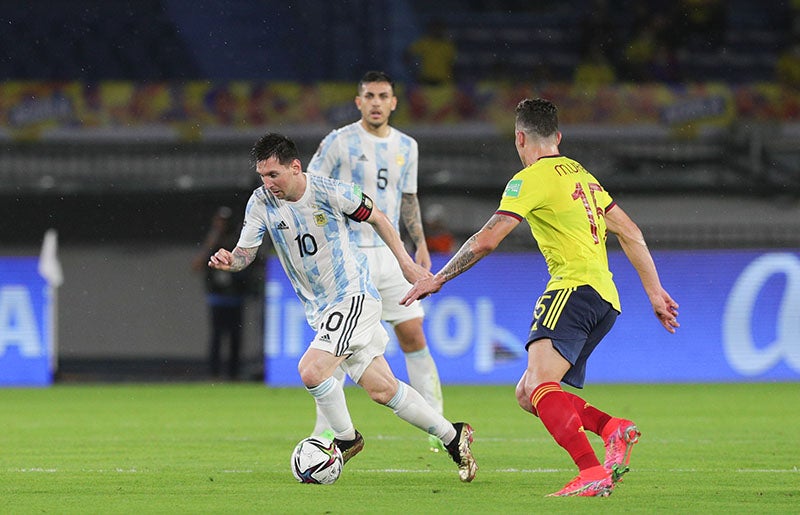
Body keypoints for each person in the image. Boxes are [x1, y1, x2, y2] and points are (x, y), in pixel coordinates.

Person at [401, 98, 679, 497]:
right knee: (528, 393)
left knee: (539, 386)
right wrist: (654, 292)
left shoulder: (530, 178)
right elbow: (630, 231)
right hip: (605, 299)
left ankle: (591, 471)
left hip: (571, 290)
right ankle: (611, 428)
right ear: (558, 137)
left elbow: (487, 239)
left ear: (520, 138)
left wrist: (438, 278)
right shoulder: (581, 175)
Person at [208, 132, 477, 482]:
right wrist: (231, 261)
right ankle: (454, 436)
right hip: (322, 311)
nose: (267, 183)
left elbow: (378, 217)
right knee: (383, 390)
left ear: (295, 167)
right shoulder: (260, 202)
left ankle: (347, 439)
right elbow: (246, 253)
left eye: (273, 174)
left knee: (311, 370)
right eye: (262, 176)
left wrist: (406, 264)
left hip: (353, 297)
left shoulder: (330, 192)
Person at [307, 71, 445, 452]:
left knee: (413, 334)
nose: (376, 103)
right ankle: (325, 432)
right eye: (369, 96)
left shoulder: (407, 146)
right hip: (348, 257)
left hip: (392, 253)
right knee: (339, 346)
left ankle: (437, 424)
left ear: (394, 102)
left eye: (383, 96)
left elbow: (408, 198)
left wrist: (420, 243)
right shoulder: (339, 142)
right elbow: (309, 189)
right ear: (358, 102)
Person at [191, 206, 251, 380]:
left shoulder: (237, 241)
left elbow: (249, 264)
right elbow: (197, 266)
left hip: (235, 297)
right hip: (217, 297)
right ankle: (214, 373)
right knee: (217, 336)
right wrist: (211, 242)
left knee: (235, 337)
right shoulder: (212, 242)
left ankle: (233, 374)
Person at [405, 20, 457, 86]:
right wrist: (414, 72)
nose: (437, 31)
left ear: (443, 30)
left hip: (443, 81)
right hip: (426, 79)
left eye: (439, 29)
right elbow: (407, 54)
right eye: (434, 29)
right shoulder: (424, 43)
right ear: (430, 30)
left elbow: (453, 64)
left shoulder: (448, 45)